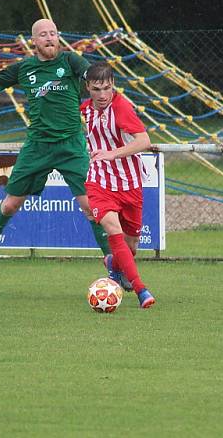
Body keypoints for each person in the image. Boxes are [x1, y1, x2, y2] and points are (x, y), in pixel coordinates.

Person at [0, 18, 110, 278]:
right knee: (11, 204)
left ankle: (112, 263)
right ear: (33, 41)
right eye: (43, 34)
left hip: (71, 145)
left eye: (53, 33)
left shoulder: (70, 62)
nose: (49, 38)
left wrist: (101, 82)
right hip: (37, 147)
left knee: (90, 206)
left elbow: (91, 73)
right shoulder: (25, 68)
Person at [81, 62, 155, 308]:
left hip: (130, 183)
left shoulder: (121, 107)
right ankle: (141, 289)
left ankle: (113, 264)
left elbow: (144, 140)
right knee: (113, 231)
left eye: (106, 88)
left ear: (113, 85)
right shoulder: (83, 110)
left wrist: (113, 153)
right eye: (96, 89)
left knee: (131, 246)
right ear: (88, 88)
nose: (102, 95)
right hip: (99, 181)